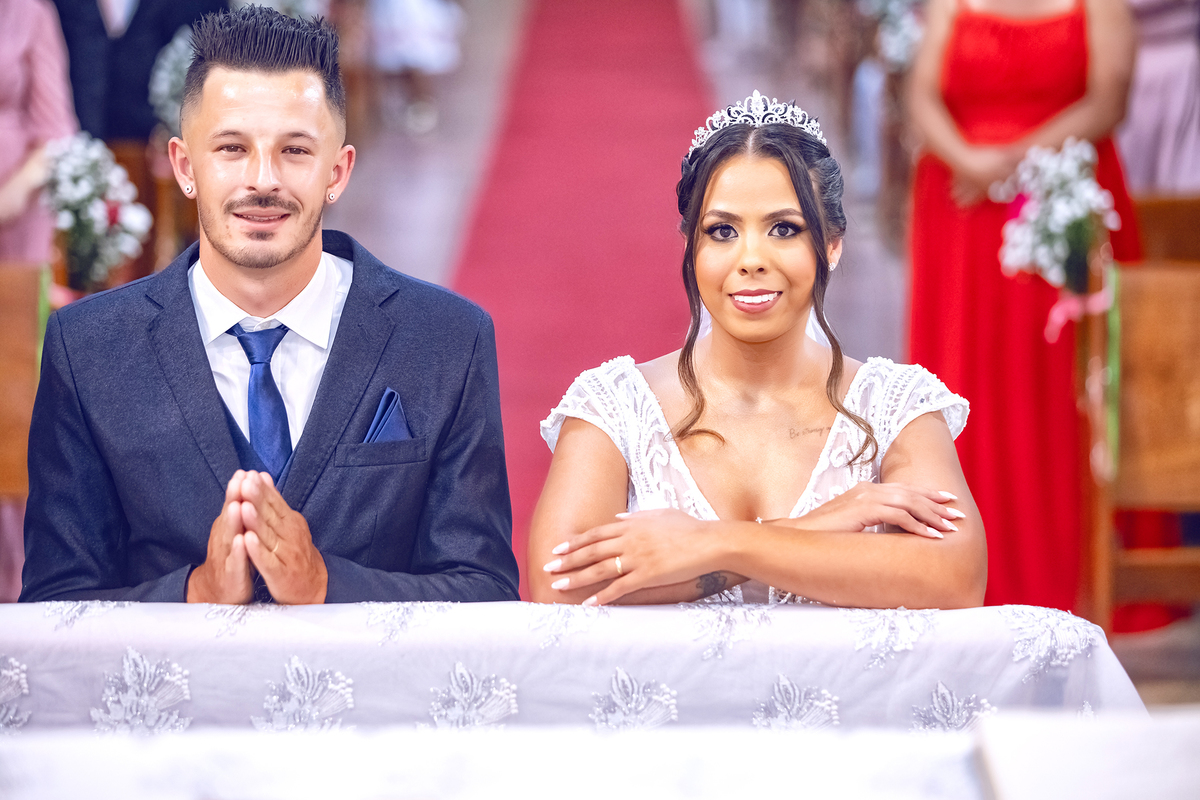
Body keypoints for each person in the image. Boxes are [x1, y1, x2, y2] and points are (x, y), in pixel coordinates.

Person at [20, 6, 519, 604]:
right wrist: (196, 594)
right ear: (184, 166)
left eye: (296, 151)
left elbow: (483, 591)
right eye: (232, 148)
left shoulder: (447, 339)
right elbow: (55, 607)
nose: (262, 180)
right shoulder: (88, 349)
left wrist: (327, 586)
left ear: (338, 171)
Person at [529, 92, 986, 608]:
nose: (751, 258)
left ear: (832, 244)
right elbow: (559, 585)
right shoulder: (614, 405)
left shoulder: (895, 406)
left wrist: (718, 544)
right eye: (722, 231)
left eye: (784, 229)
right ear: (690, 248)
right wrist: (816, 526)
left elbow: (955, 576)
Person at [907, 0, 1144, 612]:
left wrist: (1009, 163)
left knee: (1056, 383)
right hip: (962, 209)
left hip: (1060, 198)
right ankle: (964, 560)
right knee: (970, 378)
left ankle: (1080, 571)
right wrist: (968, 160)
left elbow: (1108, 99)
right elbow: (922, 95)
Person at [0, 0, 77, 603]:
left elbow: (56, 130)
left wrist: (10, 196)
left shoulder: (28, 11)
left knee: (10, 400)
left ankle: (14, 573)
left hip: (13, 230)